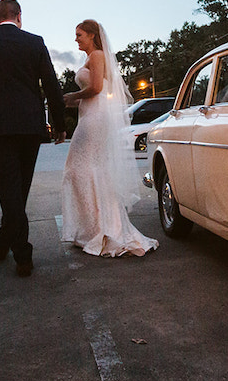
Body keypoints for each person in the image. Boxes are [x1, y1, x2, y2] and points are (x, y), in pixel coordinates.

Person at [0, 0, 65, 276]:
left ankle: (12, 247)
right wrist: (59, 124)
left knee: (9, 190)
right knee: (19, 190)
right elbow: (52, 85)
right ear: (19, 16)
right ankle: (15, 247)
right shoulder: (35, 42)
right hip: (30, 127)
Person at [60, 19, 158, 257]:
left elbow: (94, 88)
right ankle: (93, 228)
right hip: (90, 114)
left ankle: (102, 229)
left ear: (92, 35)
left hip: (95, 117)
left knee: (79, 168)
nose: (76, 39)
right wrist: (74, 101)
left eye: (79, 34)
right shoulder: (90, 58)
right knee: (91, 168)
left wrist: (71, 96)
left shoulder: (97, 56)